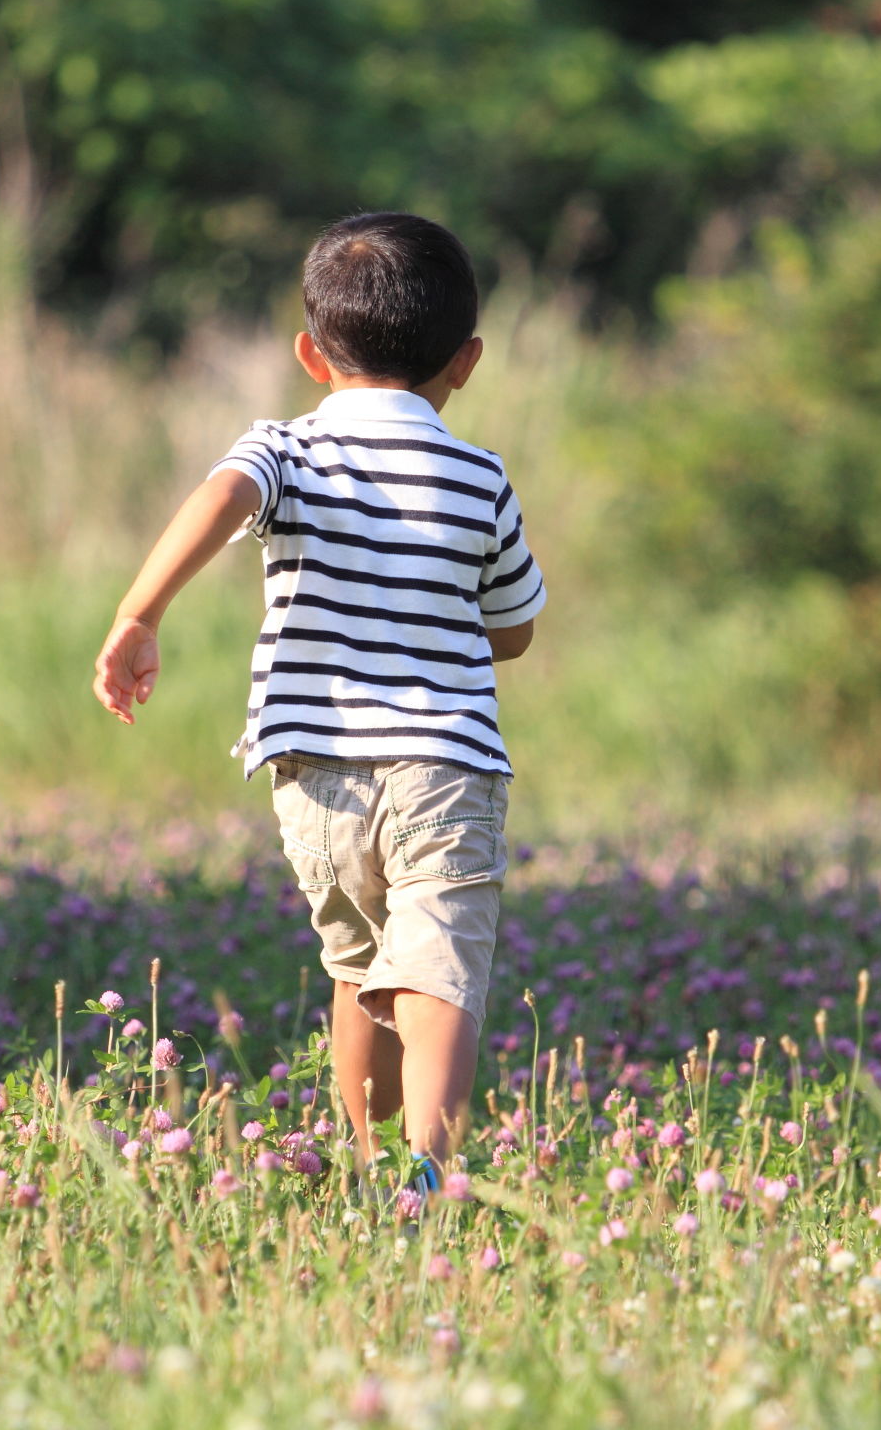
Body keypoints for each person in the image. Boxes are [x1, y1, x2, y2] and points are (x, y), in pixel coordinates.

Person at [90, 211, 544, 1189]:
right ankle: (429, 1177)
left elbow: (221, 496)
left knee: (359, 969)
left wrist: (140, 612)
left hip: (313, 773)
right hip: (446, 765)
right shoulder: (479, 476)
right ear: (464, 362)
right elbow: (513, 629)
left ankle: (366, 1159)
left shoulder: (284, 448)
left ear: (309, 353)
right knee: (440, 968)